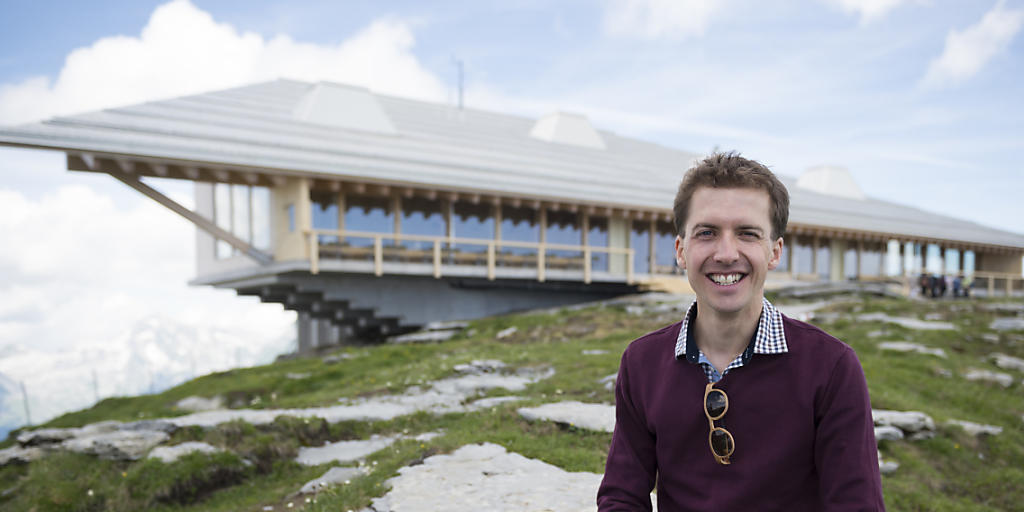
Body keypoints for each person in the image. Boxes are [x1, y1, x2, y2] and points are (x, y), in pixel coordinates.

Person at [597, 153, 885, 511]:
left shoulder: (832, 368)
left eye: (747, 234)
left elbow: (856, 505)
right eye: (707, 233)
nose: (726, 253)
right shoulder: (642, 362)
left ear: (774, 252)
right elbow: (622, 497)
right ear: (681, 250)